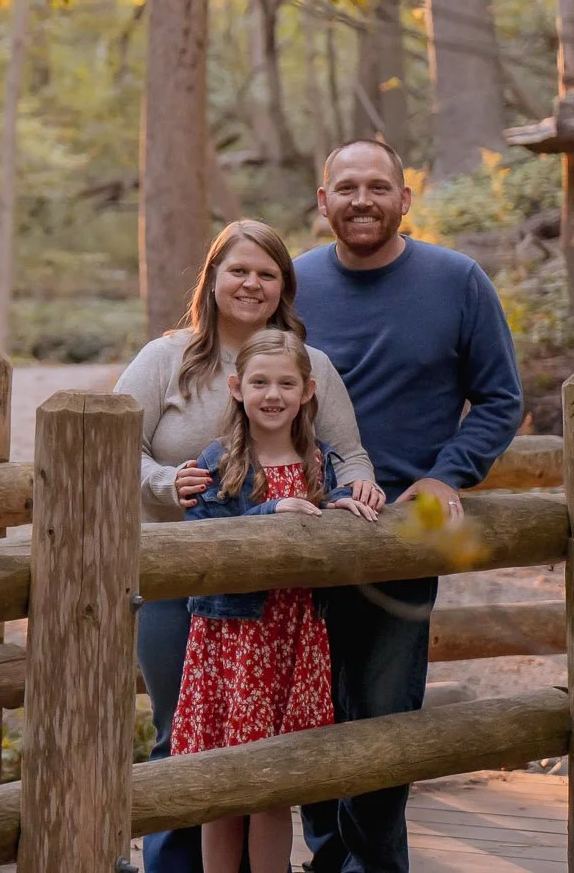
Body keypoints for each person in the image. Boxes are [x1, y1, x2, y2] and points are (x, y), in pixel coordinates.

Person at [115, 219, 386, 873]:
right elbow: (112, 452)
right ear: (212, 279)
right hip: (177, 580)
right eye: (238, 270)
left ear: (284, 288)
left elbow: (346, 452)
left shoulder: (306, 364)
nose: (251, 284)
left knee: (274, 749)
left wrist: (360, 487)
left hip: (280, 600)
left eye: (267, 274)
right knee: (183, 736)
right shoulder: (165, 359)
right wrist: (163, 482)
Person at [294, 140, 524, 873]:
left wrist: (447, 475)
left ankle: (377, 866)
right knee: (311, 712)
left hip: (405, 531)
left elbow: (499, 399)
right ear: (323, 199)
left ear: (404, 199)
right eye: (347, 187)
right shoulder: (291, 285)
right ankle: (328, 861)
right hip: (302, 530)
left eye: (379, 187)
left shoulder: (457, 280)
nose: (363, 200)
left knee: (388, 714)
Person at [170, 328, 381, 873]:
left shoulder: (321, 461)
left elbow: (327, 521)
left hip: (293, 636)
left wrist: (343, 510)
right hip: (233, 641)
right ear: (237, 388)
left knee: (274, 786)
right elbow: (205, 537)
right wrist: (271, 514)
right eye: (260, 382)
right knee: (223, 784)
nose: (273, 395)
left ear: (308, 391)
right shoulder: (218, 462)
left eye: (287, 383)